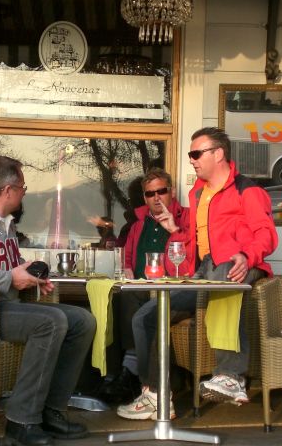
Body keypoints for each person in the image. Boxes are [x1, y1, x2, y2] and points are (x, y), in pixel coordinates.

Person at [117, 128, 277, 420]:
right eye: (191, 154)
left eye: (196, 153)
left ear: (218, 154)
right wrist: (175, 231)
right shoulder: (198, 193)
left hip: (240, 264)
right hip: (205, 271)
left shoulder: (247, 190)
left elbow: (266, 234)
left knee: (225, 273)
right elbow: (195, 245)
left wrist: (247, 255)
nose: (191, 160)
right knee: (147, 315)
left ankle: (231, 376)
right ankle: (154, 393)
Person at [0, 156, 96, 446]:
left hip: (6, 306)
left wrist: (29, 275)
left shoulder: (3, 222)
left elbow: (5, 264)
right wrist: (10, 278)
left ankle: (51, 410)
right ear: (8, 190)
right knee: (51, 322)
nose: (25, 192)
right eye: (23, 187)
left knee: (82, 320)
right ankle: (21, 420)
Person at [100, 168, 191, 404]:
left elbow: (190, 263)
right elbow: (128, 258)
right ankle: (114, 373)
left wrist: (174, 230)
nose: (157, 197)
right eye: (151, 194)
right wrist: (127, 269)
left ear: (172, 192)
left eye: (162, 191)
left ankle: (131, 372)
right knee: (114, 298)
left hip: (175, 290)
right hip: (141, 287)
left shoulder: (187, 218)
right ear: (145, 198)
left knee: (134, 302)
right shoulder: (138, 225)